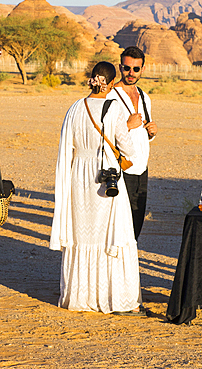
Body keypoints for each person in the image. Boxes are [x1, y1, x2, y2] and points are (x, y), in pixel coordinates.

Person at [51, 61, 142, 313]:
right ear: (111, 84)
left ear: (93, 80)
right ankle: (115, 298)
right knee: (112, 234)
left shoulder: (74, 108)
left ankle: (80, 298)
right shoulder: (114, 109)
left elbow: (66, 148)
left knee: (83, 234)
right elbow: (128, 149)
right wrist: (130, 127)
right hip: (106, 176)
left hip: (79, 177)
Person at [106, 46, 158, 240]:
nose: (131, 73)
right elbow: (103, 135)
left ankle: (128, 268)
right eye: (127, 68)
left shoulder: (145, 97)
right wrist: (127, 125)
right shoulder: (110, 96)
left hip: (141, 169)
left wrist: (151, 133)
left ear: (142, 69)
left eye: (136, 69)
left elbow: (142, 132)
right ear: (120, 67)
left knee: (136, 225)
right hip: (121, 169)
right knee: (118, 226)